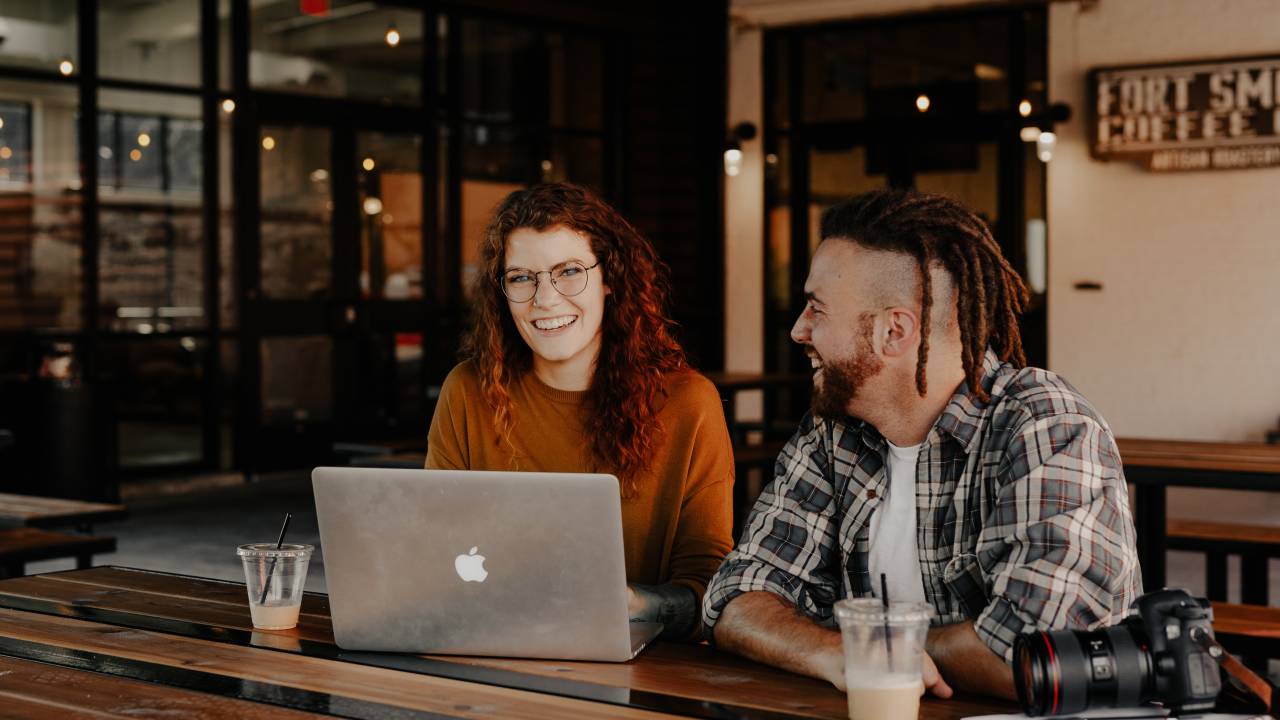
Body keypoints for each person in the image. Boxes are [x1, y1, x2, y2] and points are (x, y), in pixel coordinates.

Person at [702, 189, 1142, 698]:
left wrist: (870, 652)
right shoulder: (833, 431)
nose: (798, 330)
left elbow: (1034, 652)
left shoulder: (1046, 425)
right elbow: (736, 599)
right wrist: (831, 652)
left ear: (894, 331)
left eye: (817, 309)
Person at [427, 182, 734, 639]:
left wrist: (631, 603)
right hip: (486, 642)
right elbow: (429, 550)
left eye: (569, 271)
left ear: (610, 278)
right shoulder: (468, 391)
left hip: (640, 666)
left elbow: (708, 585)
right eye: (521, 277)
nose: (545, 299)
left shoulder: (689, 403)